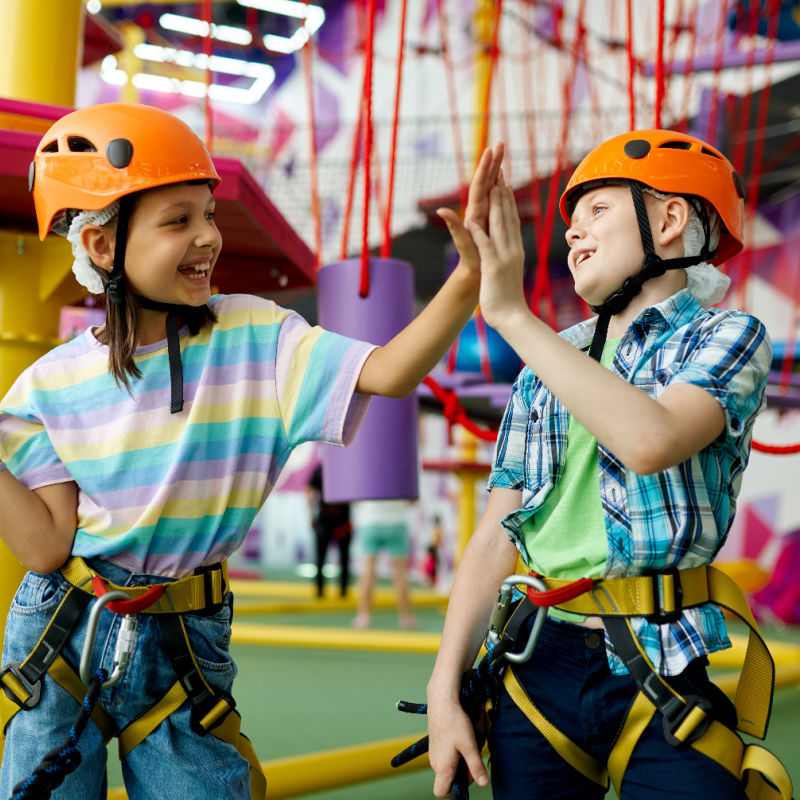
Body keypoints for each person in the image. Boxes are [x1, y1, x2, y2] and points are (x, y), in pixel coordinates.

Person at [0, 103, 505, 799]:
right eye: (178, 220)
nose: (208, 236)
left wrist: (468, 281)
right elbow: (46, 547)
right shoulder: (44, 388)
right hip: (61, 628)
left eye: (207, 213)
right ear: (100, 246)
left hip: (184, 634)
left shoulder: (259, 338)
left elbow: (388, 371)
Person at [426, 130, 788, 800]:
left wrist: (510, 316)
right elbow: (494, 538)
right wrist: (444, 686)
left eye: (597, 210)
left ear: (671, 220)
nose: (573, 233)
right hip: (534, 659)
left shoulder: (726, 336)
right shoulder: (545, 365)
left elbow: (650, 440)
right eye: (571, 222)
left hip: (662, 656)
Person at [351, 499, 416, 629]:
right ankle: (406, 617)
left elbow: (355, 499)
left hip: (370, 521)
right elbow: (413, 500)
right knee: (400, 574)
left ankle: (363, 616)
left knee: (368, 572)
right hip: (396, 522)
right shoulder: (402, 476)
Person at [307, 463, 352, 598]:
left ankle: (339, 592)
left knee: (341, 559)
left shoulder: (343, 468)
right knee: (323, 559)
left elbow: (309, 492)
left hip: (341, 522)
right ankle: (324, 591)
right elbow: (309, 491)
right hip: (326, 521)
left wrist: (311, 514)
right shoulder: (321, 469)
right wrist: (311, 514)